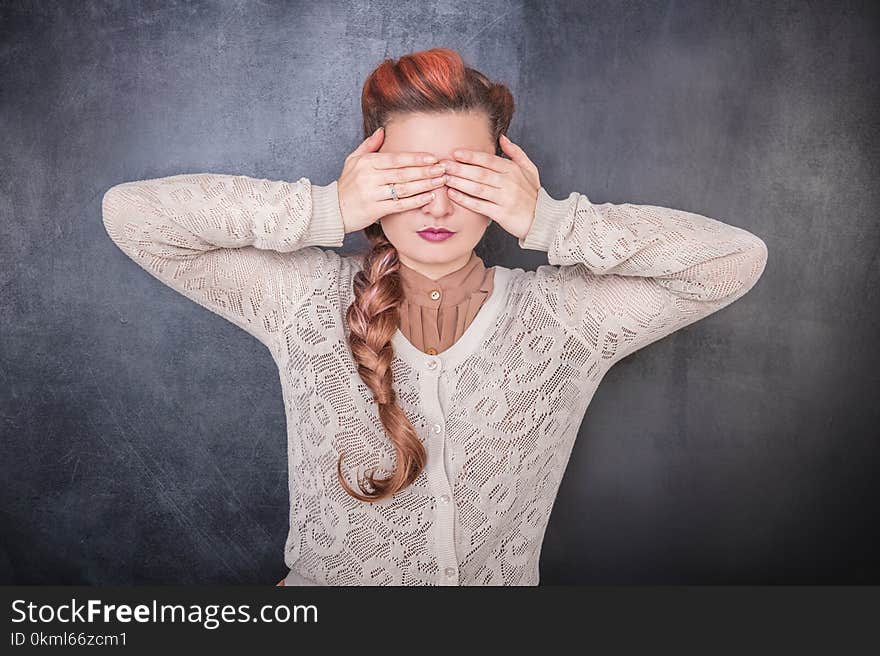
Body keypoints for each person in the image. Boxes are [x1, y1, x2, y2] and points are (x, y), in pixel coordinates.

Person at [101, 47, 768, 586]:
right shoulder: (302, 300)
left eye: (468, 179)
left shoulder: (567, 318)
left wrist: (552, 220)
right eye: (410, 181)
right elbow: (133, 217)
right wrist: (326, 209)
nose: (438, 208)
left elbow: (733, 260)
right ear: (371, 180)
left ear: (504, 183)